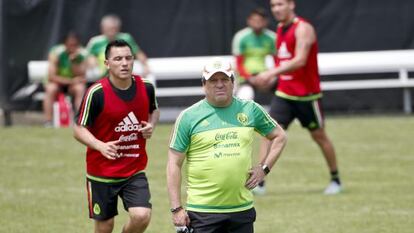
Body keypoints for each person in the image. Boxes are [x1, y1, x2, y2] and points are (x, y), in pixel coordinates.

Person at [166, 57, 287, 233]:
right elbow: (173, 164)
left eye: (224, 79)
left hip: (242, 210)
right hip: (202, 212)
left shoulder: (250, 109)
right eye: (213, 80)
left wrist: (264, 168)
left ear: (233, 82)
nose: (220, 84)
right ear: (203, 85)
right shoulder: (188, 117)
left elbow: (279, 136)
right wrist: (176, 209)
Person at [255, 0, 342, 195]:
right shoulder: (279, 28)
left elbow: (300, 60)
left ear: (291, 4)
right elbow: (284, 60)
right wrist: (272, 79)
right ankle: (259, 183)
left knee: (319, 136)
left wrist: (271, 73)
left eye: (280, 4)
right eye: (273, 5)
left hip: (306, 97)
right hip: (284, 94)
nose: (277, 9)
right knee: (267, 133)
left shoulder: (303, 28)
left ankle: (336, 180)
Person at [73, 39, 160, 233]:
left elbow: (154, 110)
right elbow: (78, 129)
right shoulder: (96, 92)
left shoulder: (146, 87)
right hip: (102, 173)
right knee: (105, 227)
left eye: (129, 58)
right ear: (107, 63)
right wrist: (100, 145)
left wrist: (151, 125)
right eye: (118, 59)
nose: (124, 63)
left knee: (141, 216)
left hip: (134, 169)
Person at [43, 32, 87, 126]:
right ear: (64, 44)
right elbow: (52, 76)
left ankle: (80, 121)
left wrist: (74, 62)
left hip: (72, 86)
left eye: (75, 45)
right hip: (58, 84)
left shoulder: (81, 54)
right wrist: (71, 81)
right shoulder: (56, 53)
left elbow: (81, 75)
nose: (72, 47)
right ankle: (48, 121)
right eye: (70, 45)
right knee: (50, 89)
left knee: (80, 88)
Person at [231, 8, 277, 100]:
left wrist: (272, 76)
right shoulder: (241, 37)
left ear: (265, 22)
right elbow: (238, 64)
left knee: (284, 92)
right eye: (254, 20)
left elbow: (277, 61)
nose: (257, 23)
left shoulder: (272, 37)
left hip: (266, 76)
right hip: (246, 78)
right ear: (249, 21)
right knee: (245, 97)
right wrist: (250, 78)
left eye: (260, 20)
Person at [87, 14, 150, 80]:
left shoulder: (126, 38)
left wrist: (145, 65)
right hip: (104, 74)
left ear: (118, 28)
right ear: (103, 28)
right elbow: (88, 56)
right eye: (109, 28)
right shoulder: (95, 42)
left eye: (114, 28)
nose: (111, 31)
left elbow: (138, 52)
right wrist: (93, 63)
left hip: (125, 73)